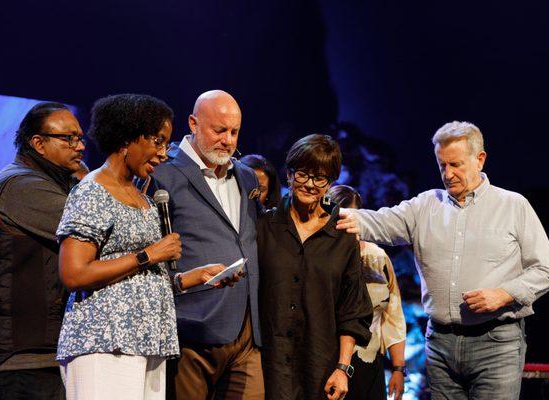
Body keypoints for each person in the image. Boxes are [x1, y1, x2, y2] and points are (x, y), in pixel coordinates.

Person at [337, 121, 549, 399]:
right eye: (442, 166)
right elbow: (379, 221)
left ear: (480, 160)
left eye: (456, 165)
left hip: (496, 344)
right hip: (440, 345)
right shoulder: (425, 205)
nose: (448, 174)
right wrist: (330, 213)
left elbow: (547, 270)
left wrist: (505, 294)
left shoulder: (513, 206)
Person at [54, 94, 240, 400]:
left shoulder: (143, 197)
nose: (164, 153)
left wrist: (193, 278)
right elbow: (74, 273)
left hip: (149, 343)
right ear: (128, 138)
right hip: (105, 341)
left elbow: (144, 279)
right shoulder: (92, 190)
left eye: (166, 143)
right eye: (157, 141)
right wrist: (148, 254)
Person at [0, 102, 86, 399]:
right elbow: (95, 229)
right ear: (38, 143)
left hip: (36, 352)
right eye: (68, 138)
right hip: (24, 359)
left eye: (81, 138)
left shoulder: (43, 183)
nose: (79, 146)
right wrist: (93, 183)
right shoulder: (22, 186)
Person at [150, 90, 264, 399]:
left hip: (247, 330)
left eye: (234, 132)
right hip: (190, 329)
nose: (228, 140)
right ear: (193, 123)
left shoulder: (247, 177)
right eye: (219, 130)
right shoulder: (162, 175)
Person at [257, 134, 373, 400]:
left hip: (320, 370)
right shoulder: (264, 227)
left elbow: (352, 310)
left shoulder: (343, 237)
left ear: (330, 183)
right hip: (268, 368)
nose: (309, 185)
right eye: (302, 175)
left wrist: (343, 368)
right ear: (289, 174)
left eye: (319, 178)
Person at [329, 185, 407, 400]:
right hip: (328, 361)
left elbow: (393, 315)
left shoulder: (377, 257)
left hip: (369, 362)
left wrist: (398, 369)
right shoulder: (320, 257)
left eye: (351, 216)